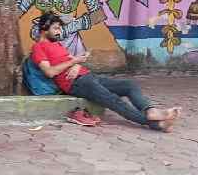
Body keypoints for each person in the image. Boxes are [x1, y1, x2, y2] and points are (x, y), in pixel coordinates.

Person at [31, 12, 181, 131]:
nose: (59, 32)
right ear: (44, 28)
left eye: (59, 28)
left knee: (129, 85)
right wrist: (74, 62)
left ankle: (150, 110)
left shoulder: (57, 45)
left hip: (88, 76)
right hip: (76, 83)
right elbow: (50, 72)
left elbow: (72, 60)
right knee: (113, 101)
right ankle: (156, 124)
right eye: (56, 28)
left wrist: (76, 63)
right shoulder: (38, 47)